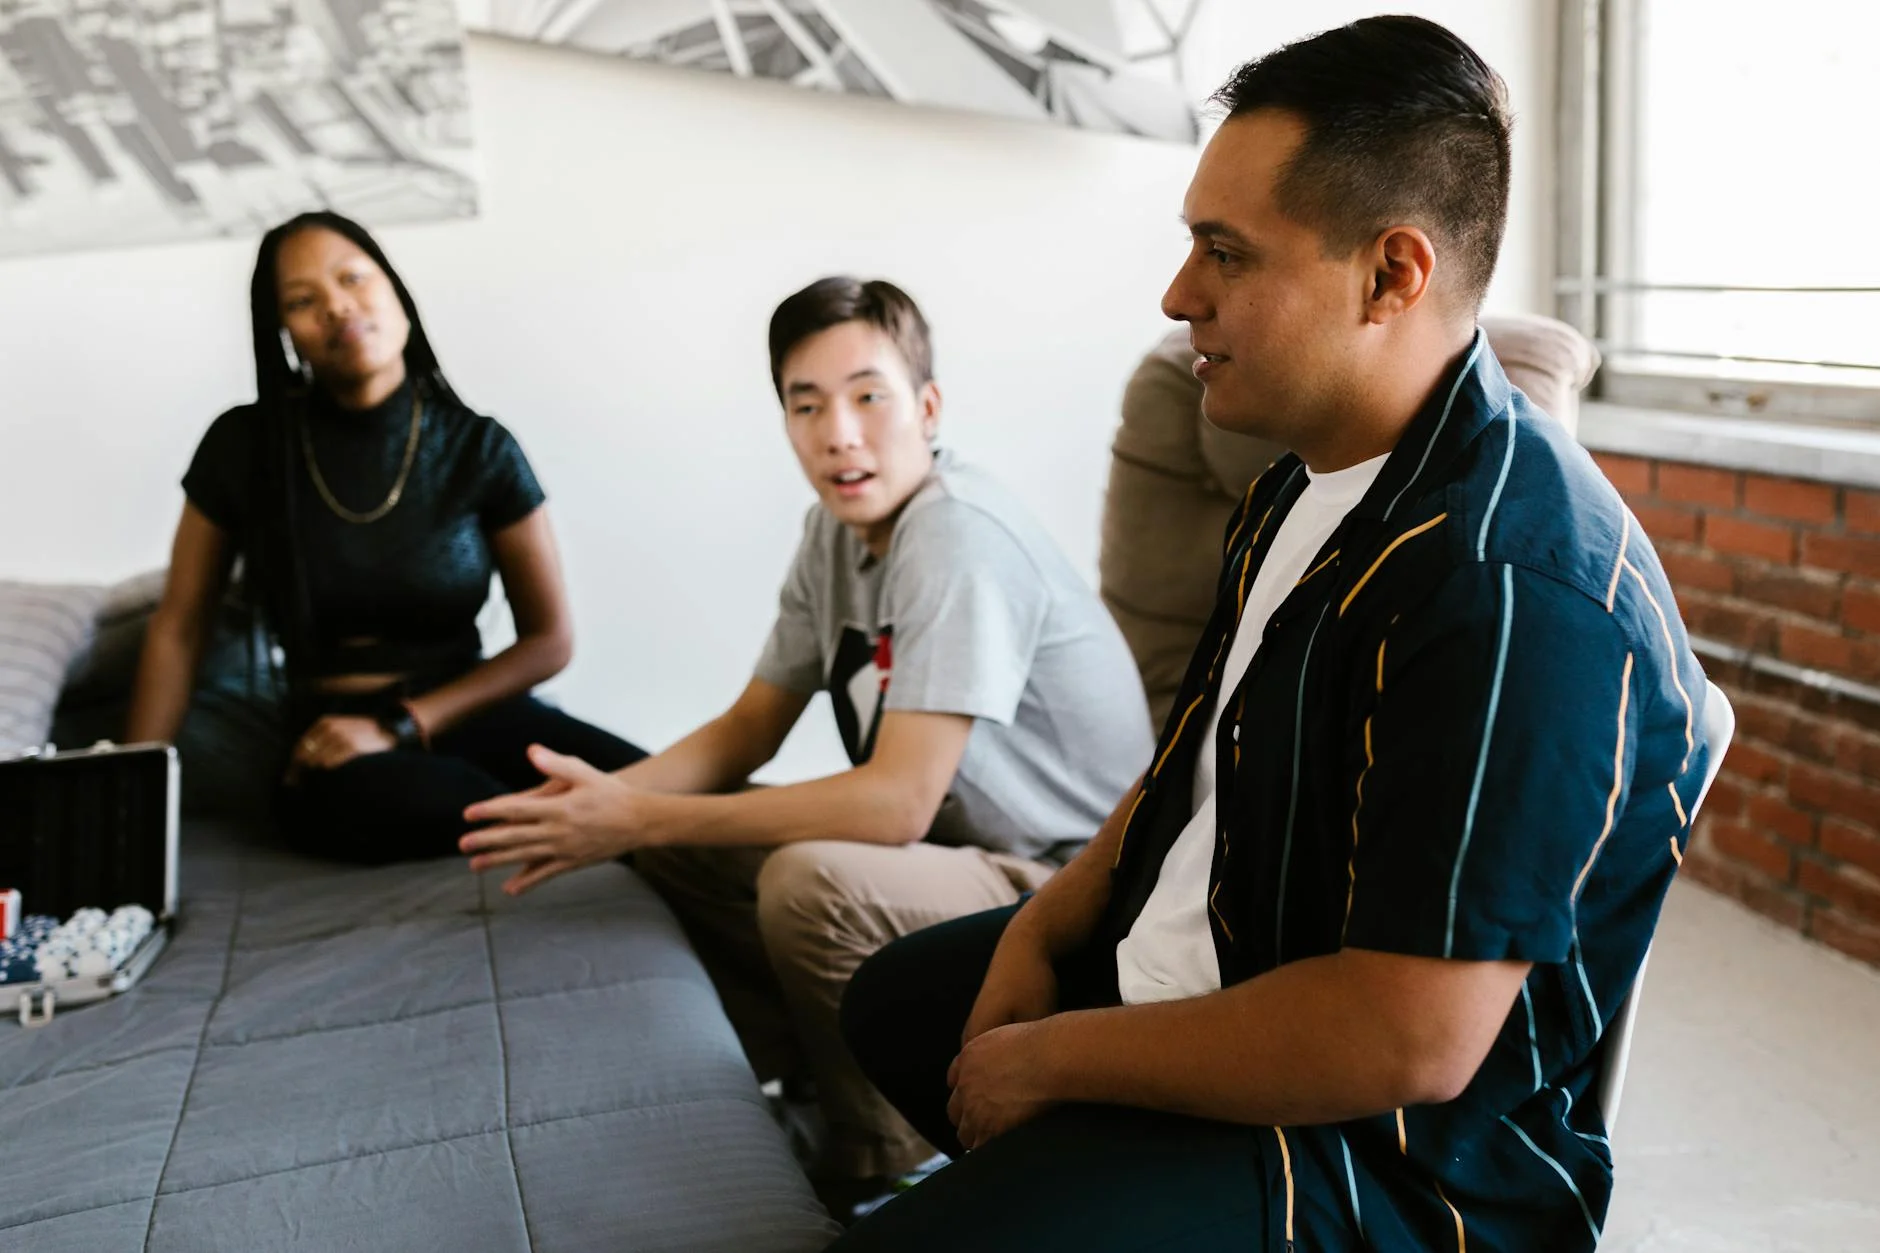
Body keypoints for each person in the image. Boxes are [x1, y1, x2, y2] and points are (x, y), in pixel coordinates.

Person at [833, 17, 1709, 1253]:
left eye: (1223, 251)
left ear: (1389, 276)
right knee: (893, 1002)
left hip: (1387, 1157)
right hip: (1243, 940)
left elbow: (1408, 1033)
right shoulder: (1300, 477)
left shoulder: (1508, 588)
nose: (1176, 294)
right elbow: (1196, 759)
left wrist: (1059, 1058)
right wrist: (1044, 923)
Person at [459, 277, 1152, 1198]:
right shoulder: (832, 533)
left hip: (1068, 881)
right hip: (957, 855)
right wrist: (607, 802)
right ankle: (801, 1083)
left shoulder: (957, 535)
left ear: (928, 408)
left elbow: (897, 803)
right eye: (807, 404)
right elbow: (751, 726)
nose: (840, 433)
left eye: (869, 396)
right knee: (673, 837)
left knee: (807, 881)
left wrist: (638, 816)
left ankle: (890, 1158)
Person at [126, 212, 645, 864]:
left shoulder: (478, 447)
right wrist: (132, 789)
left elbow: (550, 640)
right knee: (490, 807)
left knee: (657, 791)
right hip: (333, 743)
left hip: (469, 710)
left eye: (352, 279)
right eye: (302, 300)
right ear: (283, 330)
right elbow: (179, 629)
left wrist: (401, 723)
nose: (337, 307)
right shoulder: (244, 447)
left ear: (396, 290)